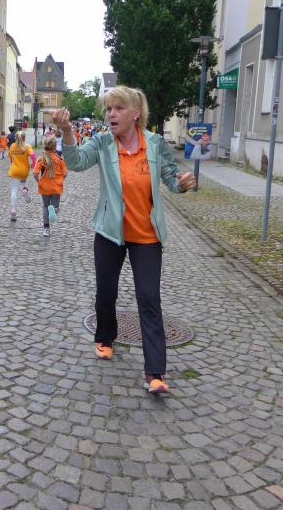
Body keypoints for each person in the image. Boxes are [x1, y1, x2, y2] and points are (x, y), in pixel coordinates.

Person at [53, 86, 197, 395]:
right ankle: (105, 337)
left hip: (147, 235)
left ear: (135, 113)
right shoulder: (103, 142)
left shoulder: (155, 144)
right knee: (106, 293)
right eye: (108, 109)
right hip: (110, 231)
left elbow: (171, 180)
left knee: (149, 298)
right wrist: (66, 132)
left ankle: (155, 372)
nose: (111, 114)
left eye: (118, 108)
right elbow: (76, 162)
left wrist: (183, 184)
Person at [33, 136, 67, 237]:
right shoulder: (59, 159)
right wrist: (60, 180)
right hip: (56, 186)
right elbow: (65, 173)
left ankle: (46, 229)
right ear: (55, 147)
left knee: (45, 206)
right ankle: (53, 210)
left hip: (44, 186)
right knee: (55, 207)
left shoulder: (41, 159)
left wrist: (39, 182)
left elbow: (35, 173)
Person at [6, 131, 34, 221]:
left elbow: (10, 158)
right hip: (24, 171)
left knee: (14, 190)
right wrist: (33, 164)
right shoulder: (27, 146)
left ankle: (13, 211)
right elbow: (32, 155)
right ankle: (25, 189)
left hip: (14, 171)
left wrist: (13, 161)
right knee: (24, 181)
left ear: (16, 138)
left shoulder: (12, 146)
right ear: (25, 138)